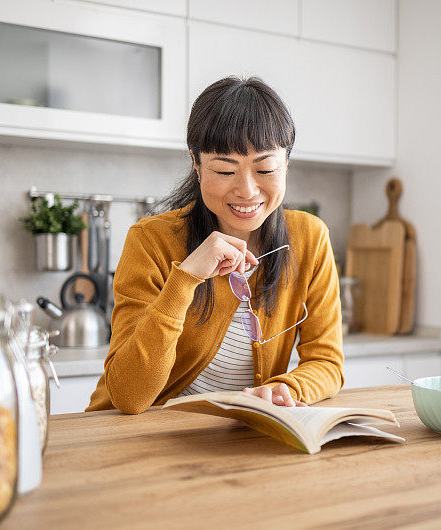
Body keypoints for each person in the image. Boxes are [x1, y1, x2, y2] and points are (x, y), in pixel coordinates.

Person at [86, 76, 344, 414]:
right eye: (224, 171)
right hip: (142, 436)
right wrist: (184, 280)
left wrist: (284, 388)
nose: (248, 190)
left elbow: (327, 362)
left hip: (233, 439)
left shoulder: (309, 237)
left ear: (287, 163)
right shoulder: (150, 240)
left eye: (265, 168)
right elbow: (129, 397)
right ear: (196, 163)